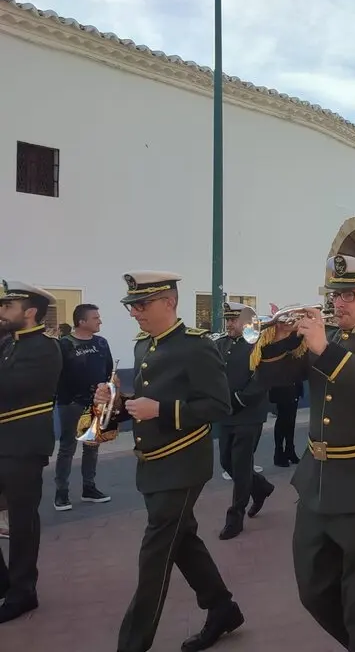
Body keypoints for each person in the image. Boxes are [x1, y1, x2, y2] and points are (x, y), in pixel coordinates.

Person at [254, 254, 355, 652]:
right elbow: (271, 378)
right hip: (318, 483)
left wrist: (324, 349)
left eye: (349, 295)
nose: (338, 303)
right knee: (313, 591)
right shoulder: (331, 340)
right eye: (335, 295)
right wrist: (281, 339)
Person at [94, 271, 243, 652]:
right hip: (153, 463)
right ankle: (222, 608)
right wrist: (117, 403)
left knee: (155, 555)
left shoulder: (196, 346)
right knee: (183, 540)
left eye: (142, 305)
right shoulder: (144, 345)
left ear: (169, 302)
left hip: (182, 464)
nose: (135, 313)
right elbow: (144, 403)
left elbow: (218, 406)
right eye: (131, 306)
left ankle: (132, 644)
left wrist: (161, 409)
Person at [0, 281, 62, 624]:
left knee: (22, 522)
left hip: (24, 446)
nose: (1, 312)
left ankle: (23, 591)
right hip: (3, 443)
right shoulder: (7, 343)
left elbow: (11, 388)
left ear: (31, 312)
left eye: (7, 306)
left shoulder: (45, 348)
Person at [215, 303, 274, 540]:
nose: (229, 324)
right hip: (226, 413)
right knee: (226, 461)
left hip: (249, 413)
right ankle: (260, 487)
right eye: (227, 320)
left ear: (246, 322)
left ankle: (235, 517)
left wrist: (240, 399)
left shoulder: (258, 344)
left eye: (233, 320)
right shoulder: (220, 344)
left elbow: (262, 378)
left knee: (240, 465)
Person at [53, 303, 114, 511]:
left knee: (92, 446)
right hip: (71, 404)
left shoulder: (101, 343)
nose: (100, 321)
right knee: (67, 447)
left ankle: (89, 487)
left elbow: (109, 371)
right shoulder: (64, 344)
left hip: (96, 403)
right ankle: (61, 492)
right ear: (81, 321)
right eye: (95, 318)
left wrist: (108, 392)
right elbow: (56, 375)